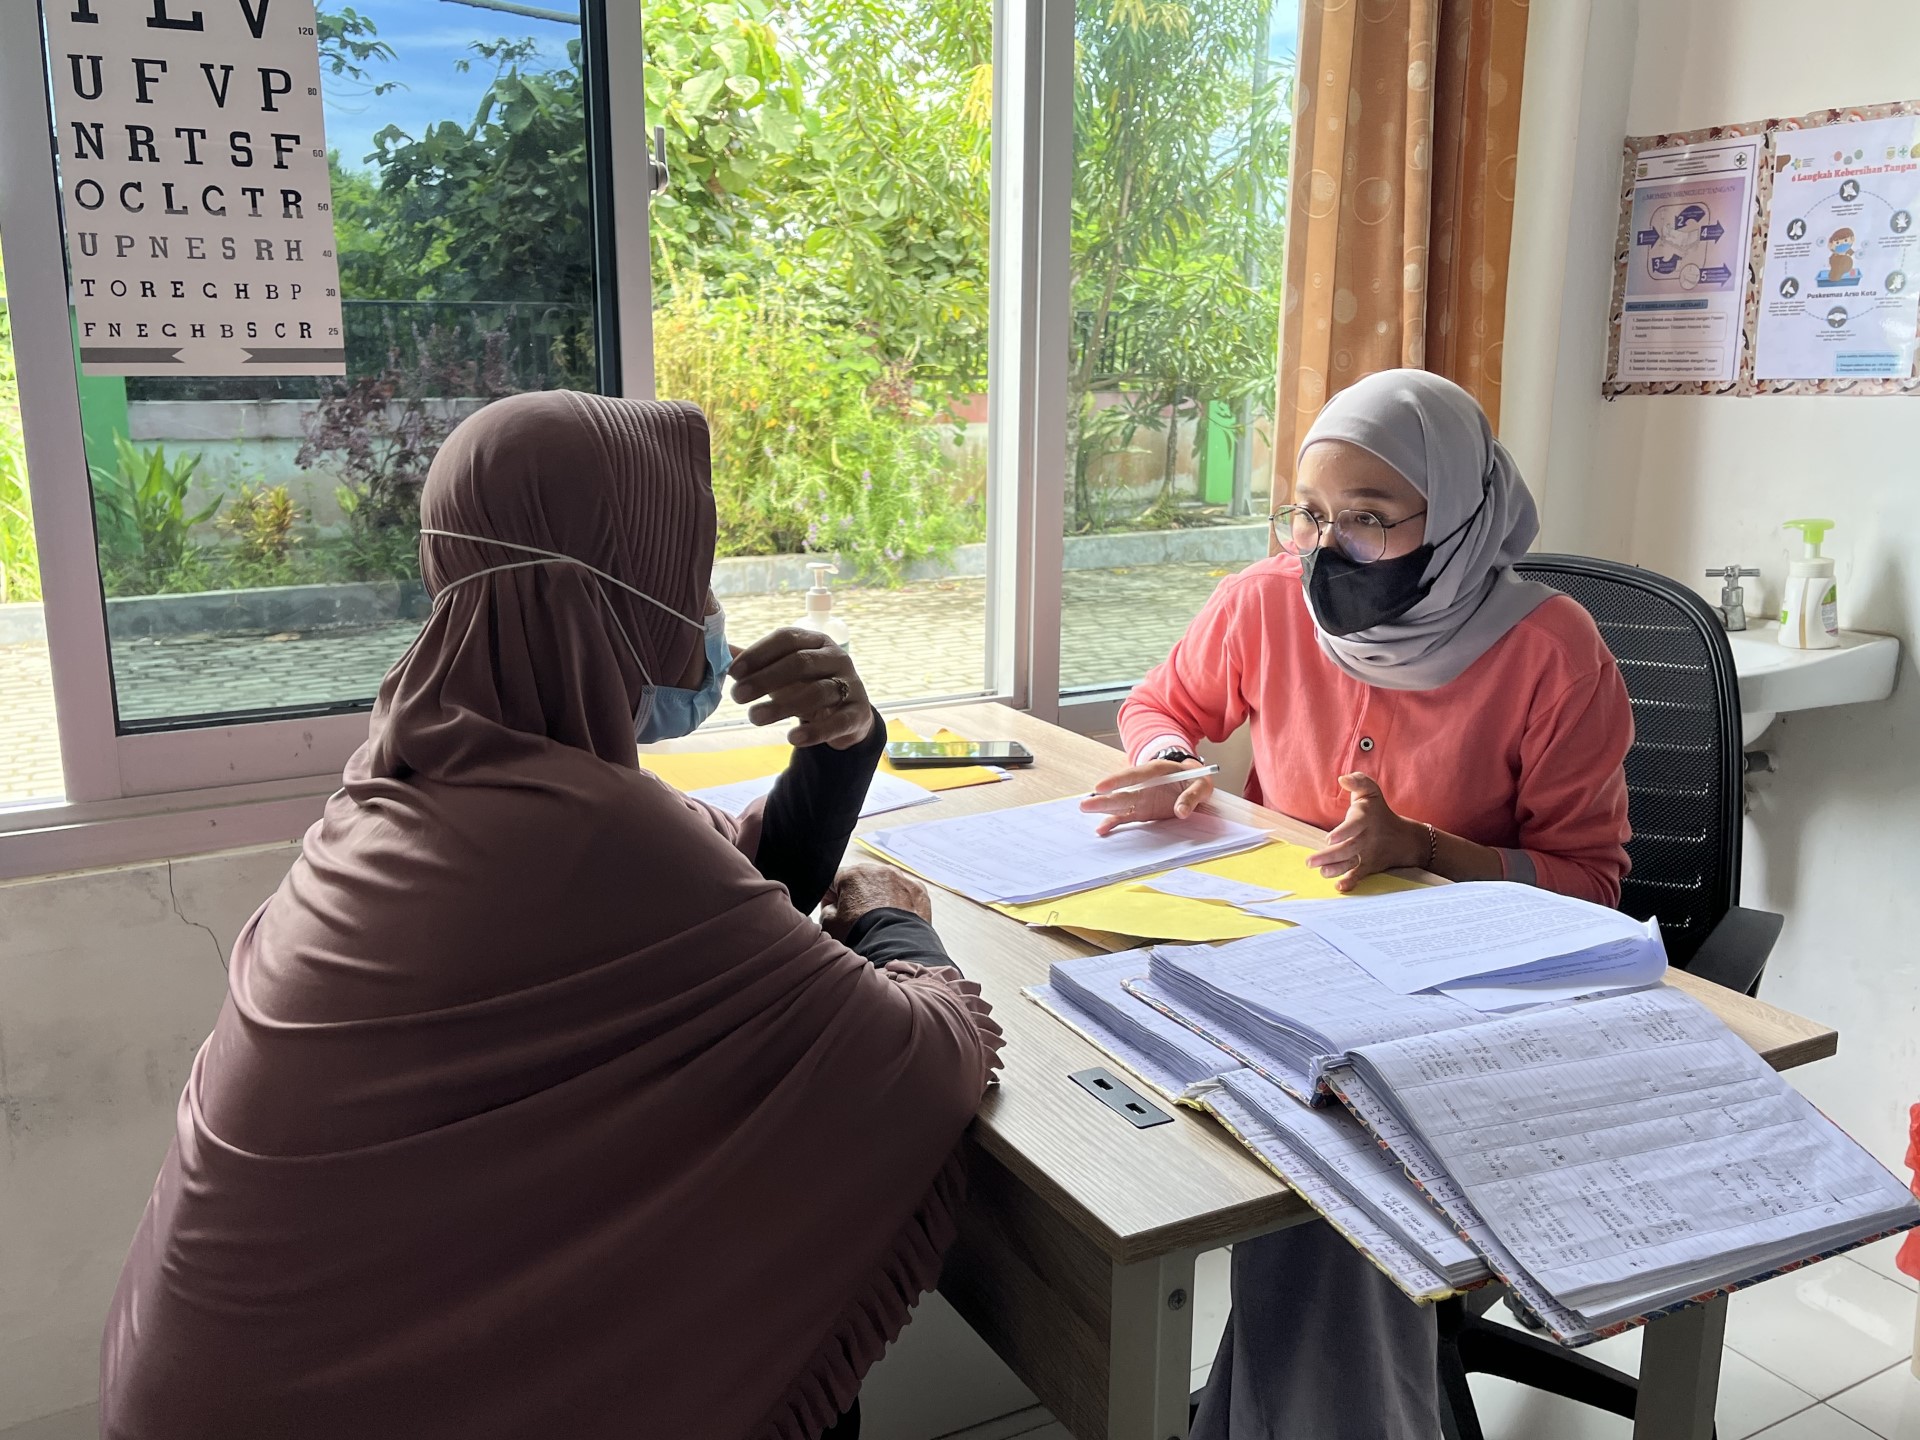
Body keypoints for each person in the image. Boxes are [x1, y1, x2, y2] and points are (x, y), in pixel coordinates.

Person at [100, 391, 1004, 1440]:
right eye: (687, 570)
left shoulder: (424, 766)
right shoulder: (586, 837)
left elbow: (726, 901)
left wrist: (842, 740)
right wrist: (897, 925)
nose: (704, 608)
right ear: (612, 595)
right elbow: (917, 1059)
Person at [1083, 368, 1634, 1438]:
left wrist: (1428, 848)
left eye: (1372, 521)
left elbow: (1593, 886)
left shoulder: (1553, 653)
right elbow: (1164, 701)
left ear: (1460, 513)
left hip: (1466, 995)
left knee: (1323, 1204)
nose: (1328, 548)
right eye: (1312, 516)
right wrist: (1166, 757)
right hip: (1286, 963)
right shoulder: (1265, 599)